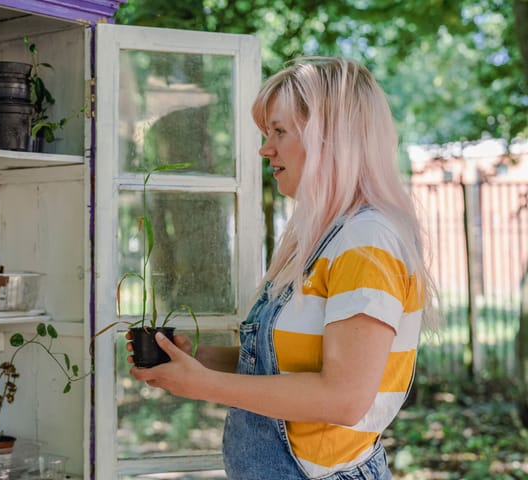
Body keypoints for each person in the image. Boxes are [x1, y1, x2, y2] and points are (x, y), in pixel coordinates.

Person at [128, 57, 439, 479]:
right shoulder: (324, 237)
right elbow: (285, 365)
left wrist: (202, 385)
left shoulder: (367, 242)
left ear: (330, 138)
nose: (264, 148)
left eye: (279, 132)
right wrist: (199, 359)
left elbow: (343, 398)